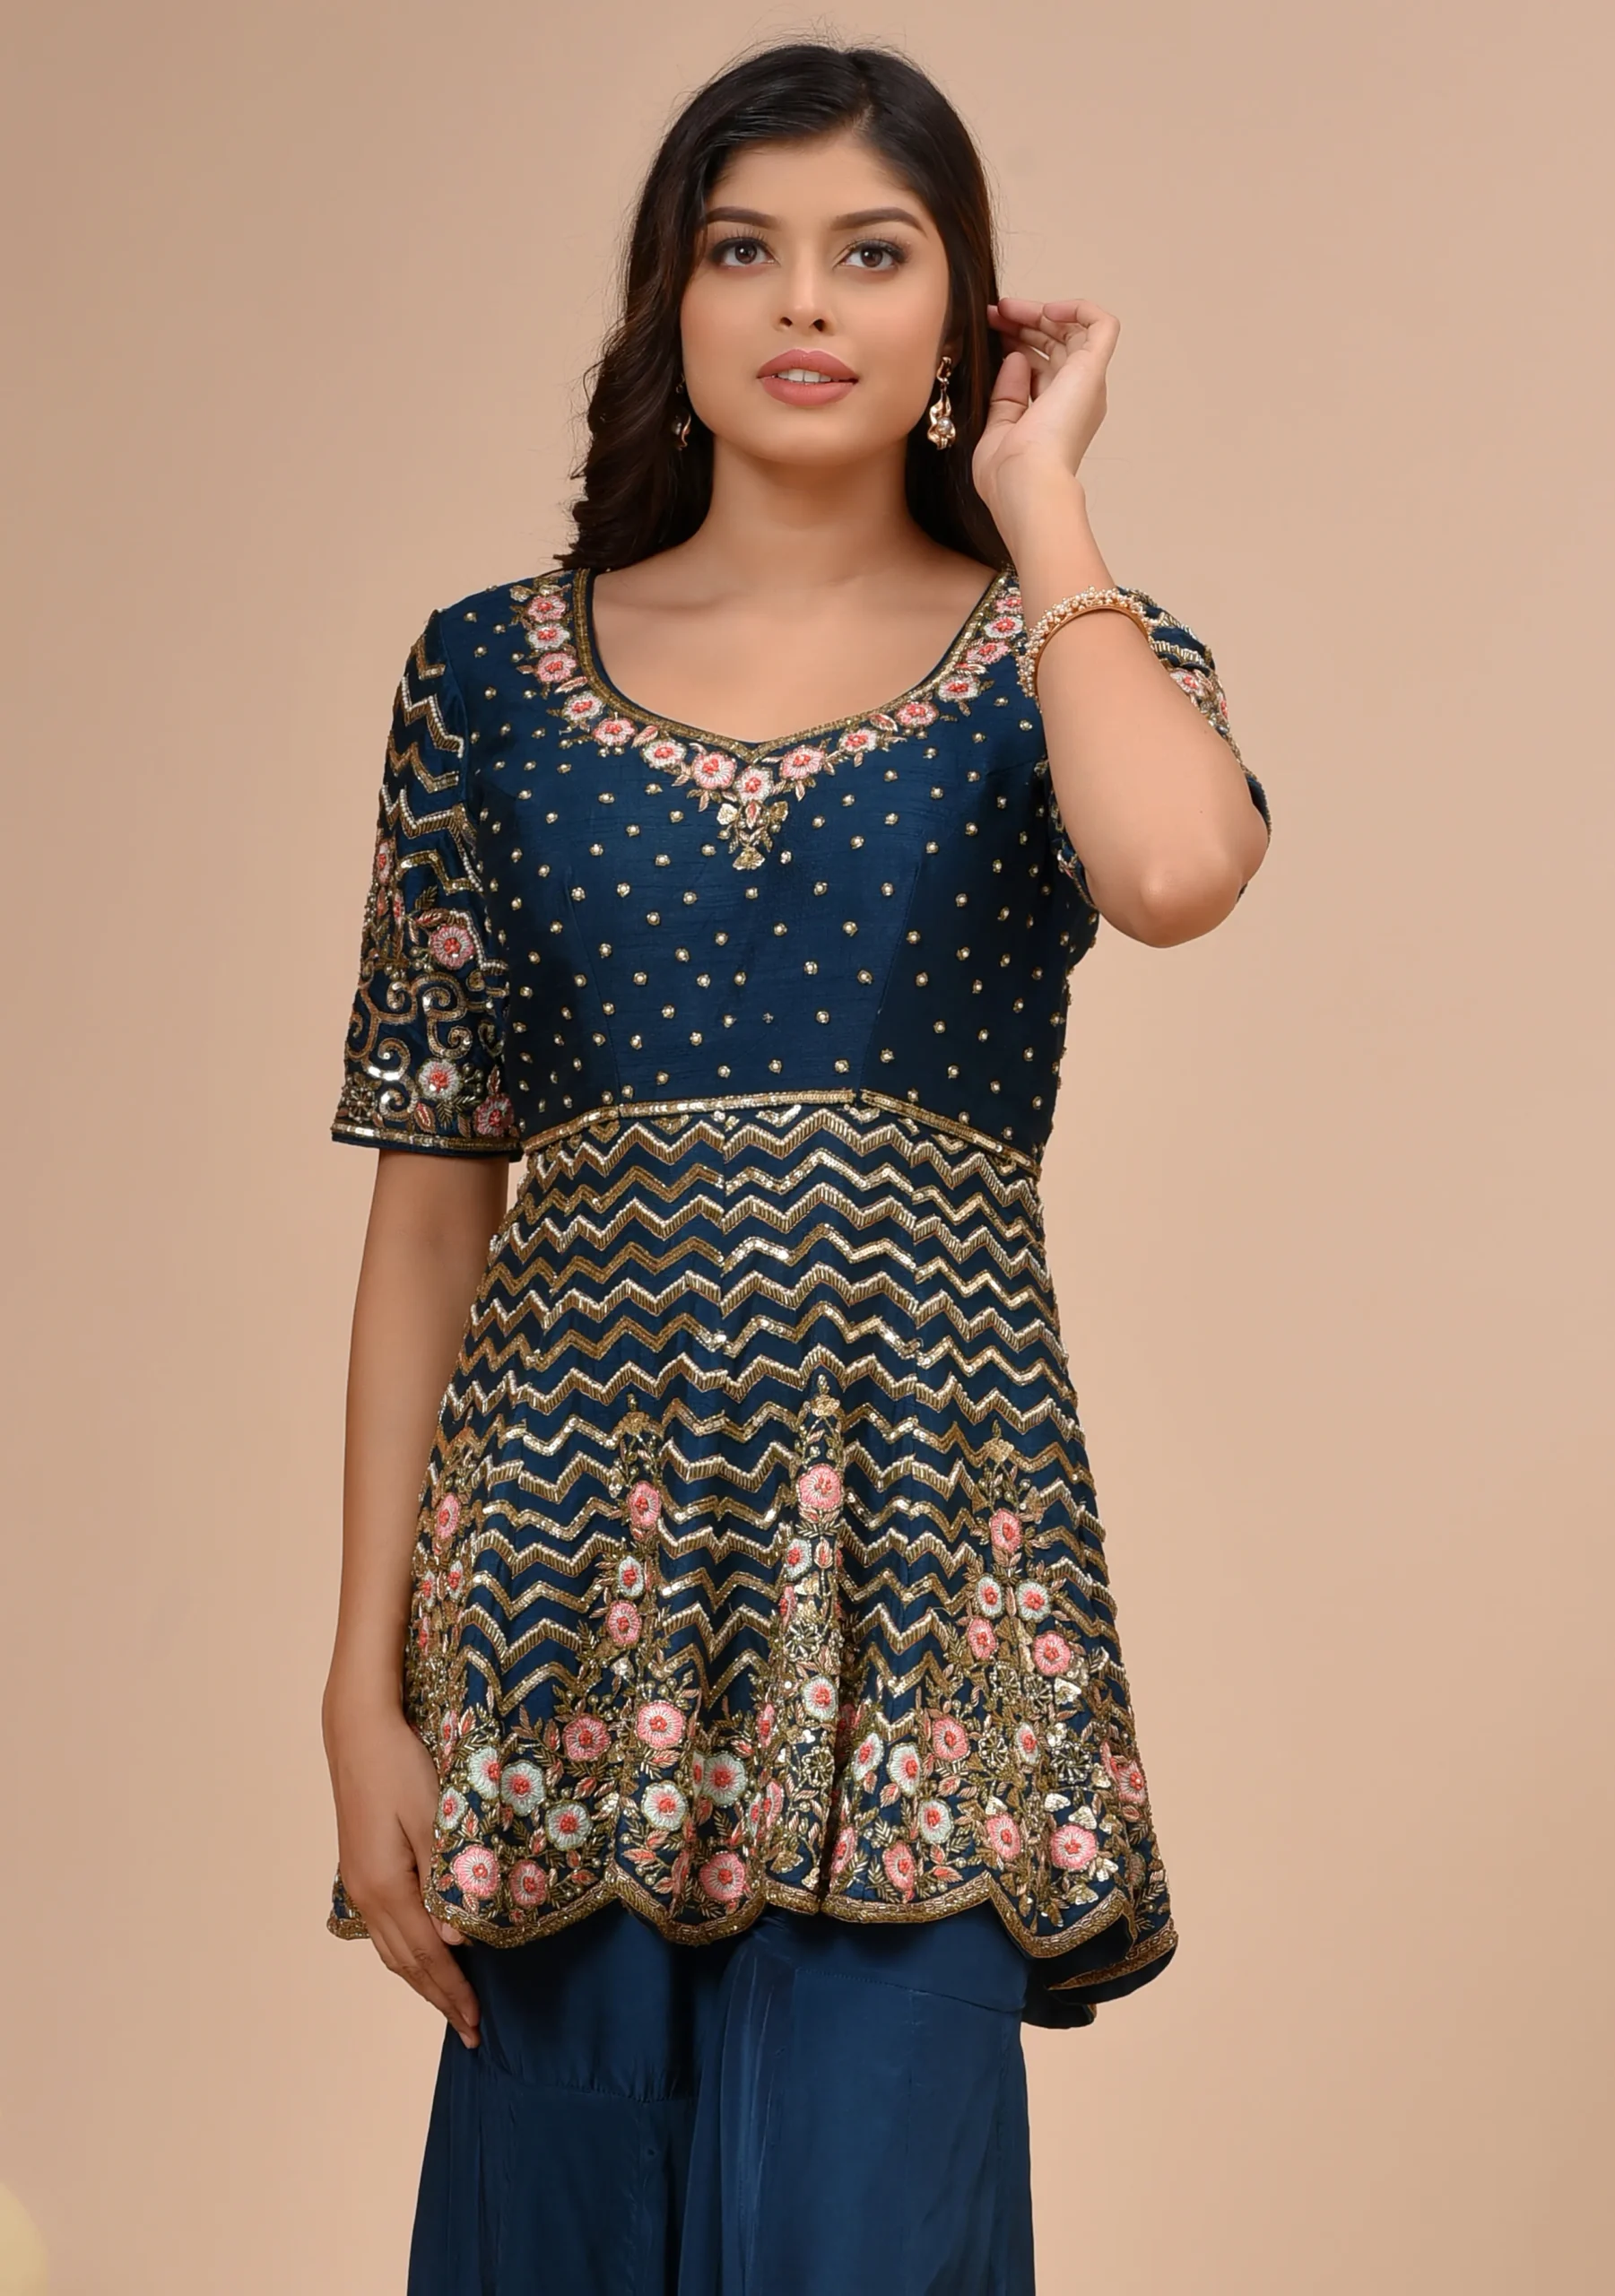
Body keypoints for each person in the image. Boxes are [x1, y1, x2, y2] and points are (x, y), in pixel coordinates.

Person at [321, 38, 1270, 2296]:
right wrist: (361, 1682)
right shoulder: (490, 678)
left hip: (927, 1593)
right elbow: (433, 1206)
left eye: (875, 251)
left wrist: (1044, 504)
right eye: (744, 249)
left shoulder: (1065, 658)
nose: (806, 301)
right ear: (673, 299)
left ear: (965, 313)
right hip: (559, 1597)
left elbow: (1172, 869)